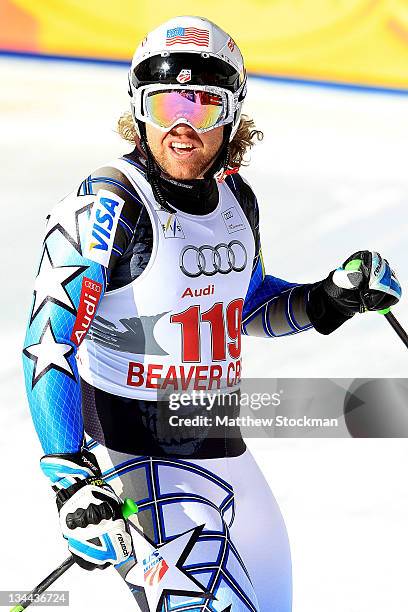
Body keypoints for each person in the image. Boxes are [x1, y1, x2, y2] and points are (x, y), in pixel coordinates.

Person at [22, 15, 401, 612]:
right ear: (139, 109)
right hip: (136, 458)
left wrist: (331, 297)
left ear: (232, 115)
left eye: (203, 106)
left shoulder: (234, 199)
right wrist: (70, 477)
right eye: (166, 102)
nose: (181, 125)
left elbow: (241, 307)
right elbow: (49, 340)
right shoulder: (107, 203)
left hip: (224, 447)